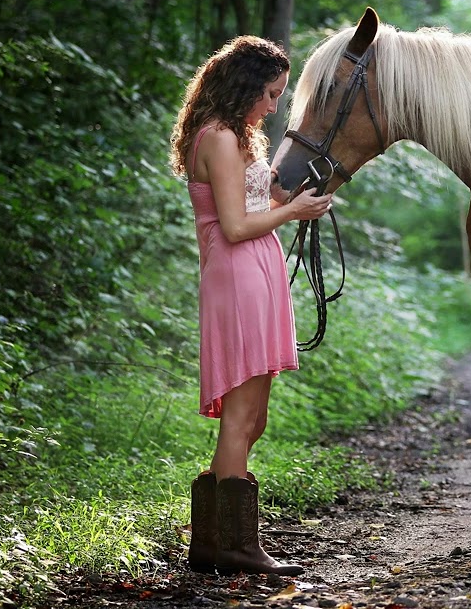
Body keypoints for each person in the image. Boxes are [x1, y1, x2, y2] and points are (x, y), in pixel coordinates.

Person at [168, 35, 331, 576]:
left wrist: (298, 200)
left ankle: (214, 540)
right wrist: (292, 214)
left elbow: (257, 199)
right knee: (240, 418)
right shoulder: (215, 138)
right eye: (269, 93)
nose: (273, 106)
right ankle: (233, 545)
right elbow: (235, 226)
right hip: (238, 272)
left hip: (256, 271)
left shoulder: (242, 135)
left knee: (253, 418)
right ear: (244, 87)